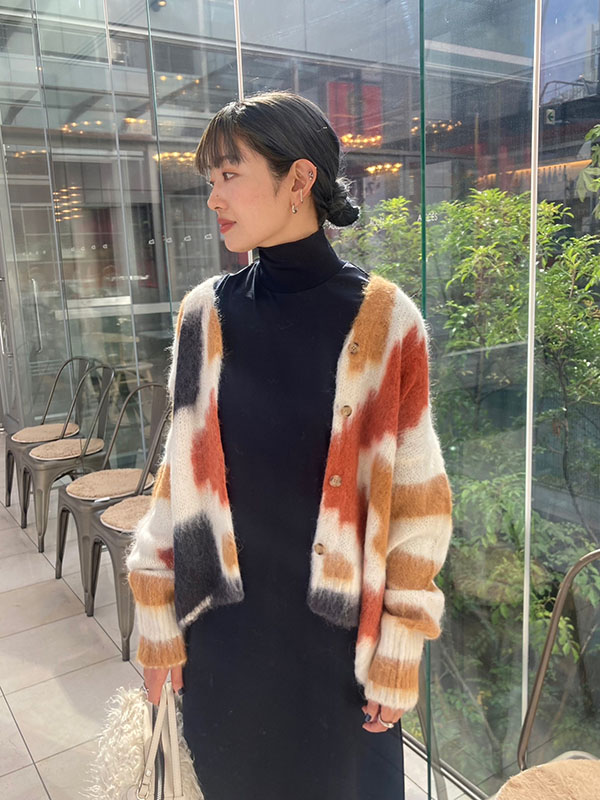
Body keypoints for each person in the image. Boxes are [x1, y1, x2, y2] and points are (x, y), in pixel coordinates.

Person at [126, 89, 453, 800]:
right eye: (210, 178)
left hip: (337, 660)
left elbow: (418, 505)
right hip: (222, 645)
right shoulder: (202, 314)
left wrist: (400, 647)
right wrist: (157, 621)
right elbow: (177, 483)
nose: (213, 196)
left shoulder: (388, 321)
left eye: (230, 174)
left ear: (299, 179)